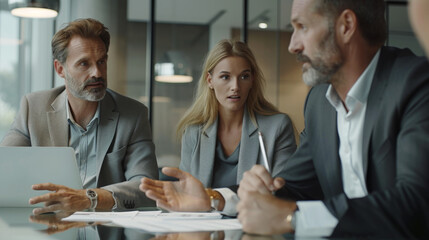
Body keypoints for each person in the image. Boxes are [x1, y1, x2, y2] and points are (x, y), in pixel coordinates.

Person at [237, 0, 429, 238]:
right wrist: (223, 198)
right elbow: (296, 188)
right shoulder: (319, 102)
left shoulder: (417, 84)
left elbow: (416, 203)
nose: (292, 45)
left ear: (346, 26)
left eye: (302, 27)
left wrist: (293, 217)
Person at [0, 18, 158, 214]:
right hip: (49, 225)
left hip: (106, 228)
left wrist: (88, 198)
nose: (97, 73)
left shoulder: (133, 114)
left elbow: (146, 187)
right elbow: (4, 171)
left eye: (101, 61)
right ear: (60, 69)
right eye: (84, 63)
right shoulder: (33, 108)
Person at [140, 39, 296, 215]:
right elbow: (188, 196)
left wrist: (214, 199)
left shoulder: (277, 128)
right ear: (210, 80)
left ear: (252, 80)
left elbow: (284, 193)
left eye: (244, 76)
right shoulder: (194, 132)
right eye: (225, 77)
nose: (235, 87)